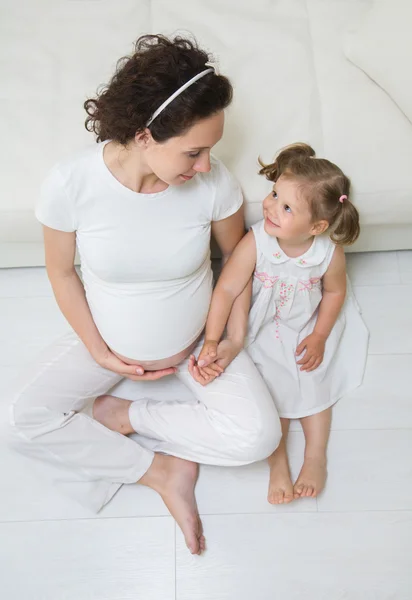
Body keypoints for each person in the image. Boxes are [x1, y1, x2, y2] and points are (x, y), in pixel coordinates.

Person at [9, 35, 281, 555]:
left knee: (259, 439)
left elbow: (238, 265)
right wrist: (98, 350)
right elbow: (63, 274)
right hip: (111, 346)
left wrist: (230, 337)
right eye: (193, 151)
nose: (205, 165)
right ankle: (158, 470)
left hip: (196, 344)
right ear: (144, 135)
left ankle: (126, 417)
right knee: (16, 419)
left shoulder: (212, 183)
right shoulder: (71, 183)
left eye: (211, 151)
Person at [191, 142, 369, 505]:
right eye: (274, 194)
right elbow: (227, 287)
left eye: (286, 207)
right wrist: (213, 338)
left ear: (317, 226)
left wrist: (319, 335)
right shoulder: (257, 241)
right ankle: (278, 462)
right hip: (264, 325)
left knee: (315, 380)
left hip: (306, 324)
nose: (270, 206)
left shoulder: (328, 252)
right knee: (270, 390)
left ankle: (316, 456)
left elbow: (334, 293)